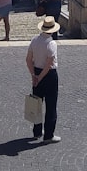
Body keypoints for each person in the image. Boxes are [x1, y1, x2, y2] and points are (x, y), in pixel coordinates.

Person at [26, 15, 61, 143]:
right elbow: (49, 64)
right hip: (49, 76)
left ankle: (36, 131)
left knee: (36, 103)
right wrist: (40, 77)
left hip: (36, 71)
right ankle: (49, 135)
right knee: (51, 105)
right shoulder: (51, 43)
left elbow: (28, 60)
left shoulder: (34, 40)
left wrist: (34, 76)